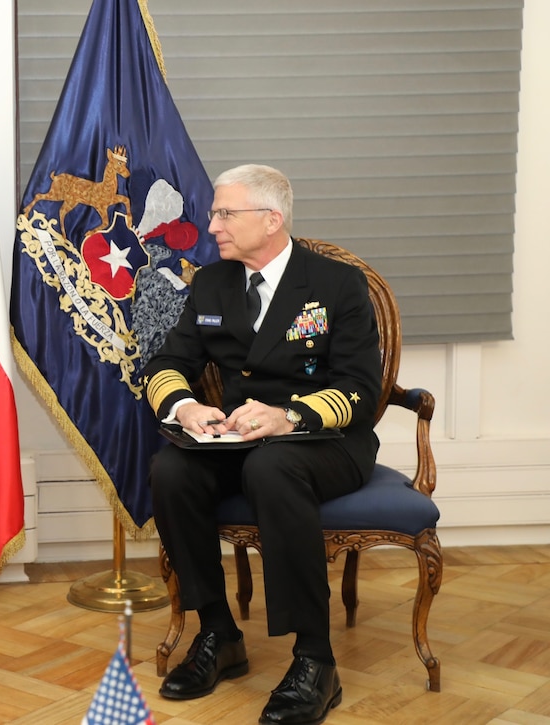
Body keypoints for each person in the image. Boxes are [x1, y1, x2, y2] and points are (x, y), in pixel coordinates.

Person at [142, 164, 381, 725]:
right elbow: (168, 363)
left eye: (225, 213)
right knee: (170, 471)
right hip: (239, 443)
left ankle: (316, 661)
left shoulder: (336, 284)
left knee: (274, 469)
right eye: (214, 212)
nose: (212, 224)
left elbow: (361, 390)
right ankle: (218, 633)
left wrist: (289, 416)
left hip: (326, 442)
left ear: (271, 220)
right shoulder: (212, 282)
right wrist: (189, 407)